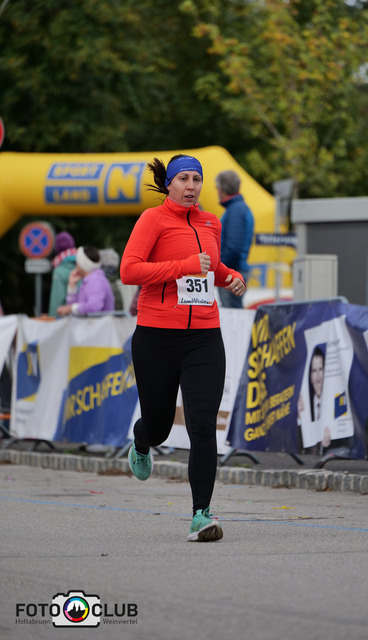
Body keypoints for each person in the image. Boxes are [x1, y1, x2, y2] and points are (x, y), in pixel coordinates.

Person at [120, 154, 246, 542]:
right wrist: (183, 265)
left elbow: (212, 267)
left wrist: (231, 277)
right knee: (158, 427)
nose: (191, 186)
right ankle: (142, 442)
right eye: (184, 179)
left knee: (203, 426)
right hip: (156, 338)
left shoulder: (211, 222)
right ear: (169, 184)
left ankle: (201, 515)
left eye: (197, 179)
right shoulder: (152, 220)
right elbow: (129, 271)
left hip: (204, 337)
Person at [215, 170, 254, 309]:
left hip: (232, 273)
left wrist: (220, 270)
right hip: (236, 271)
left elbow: (234, 248)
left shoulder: (235, 210)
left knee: (232, 314)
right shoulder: (238, 208)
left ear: (222, 189)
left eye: (217, 187)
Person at [57, 246, 115, 316]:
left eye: (77, 261)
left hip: (100, 323)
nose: (76, 264)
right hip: (93, 323)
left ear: (82, 264)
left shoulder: (96, 281)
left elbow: (94, 307)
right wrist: (72, 286)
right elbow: (76, 309)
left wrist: (70, 308)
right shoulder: (90, 280)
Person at [48, 231, 78, 317]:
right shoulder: (82, 267)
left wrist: (53, 319)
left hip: (66, 319)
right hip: (84, 318)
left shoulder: (59, 271)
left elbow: (57, 300)